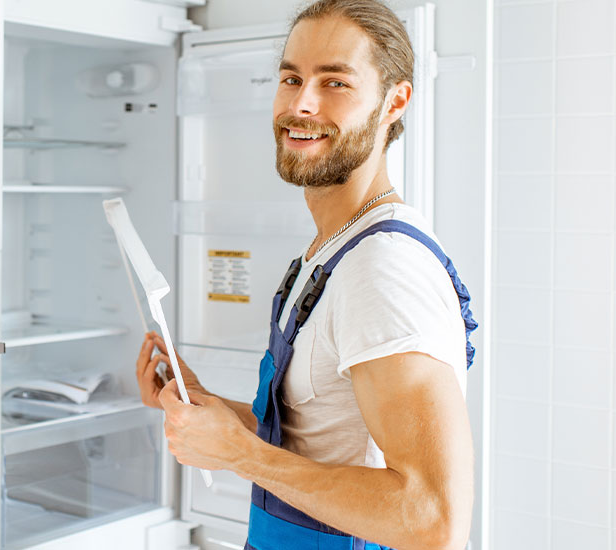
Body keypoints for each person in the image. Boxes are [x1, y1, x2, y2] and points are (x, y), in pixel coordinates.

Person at [135, 1, 478, 549]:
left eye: (335, 82)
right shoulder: (327, 250)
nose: (302, 103)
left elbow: (432, 520)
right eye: (291, 78)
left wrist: (240, 455)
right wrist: (211, 412)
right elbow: (320, 442)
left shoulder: (382, 267)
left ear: (395, 101)